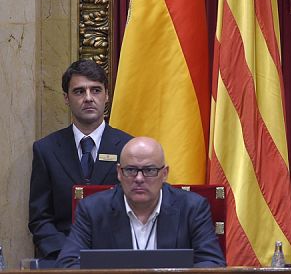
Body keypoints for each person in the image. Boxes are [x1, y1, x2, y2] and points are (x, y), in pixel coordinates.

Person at [56, 137, 225, 268]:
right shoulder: (92, 210)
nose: (139, 178)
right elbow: (68, 264)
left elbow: (212, 263)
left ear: (165, 173)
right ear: (119, 173)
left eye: (149, 170)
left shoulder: (193, 208)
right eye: (130, 170)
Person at [28, 59, 134, 261]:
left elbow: (141, 209)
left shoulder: (129, 147)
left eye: (95, 90)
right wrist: (66, 253)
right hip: (62, 259)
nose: (88, 98)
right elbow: (40, 218)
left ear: (107, 95)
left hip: (118, 258)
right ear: (66, 98)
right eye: (79, 91)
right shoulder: (46, 149)